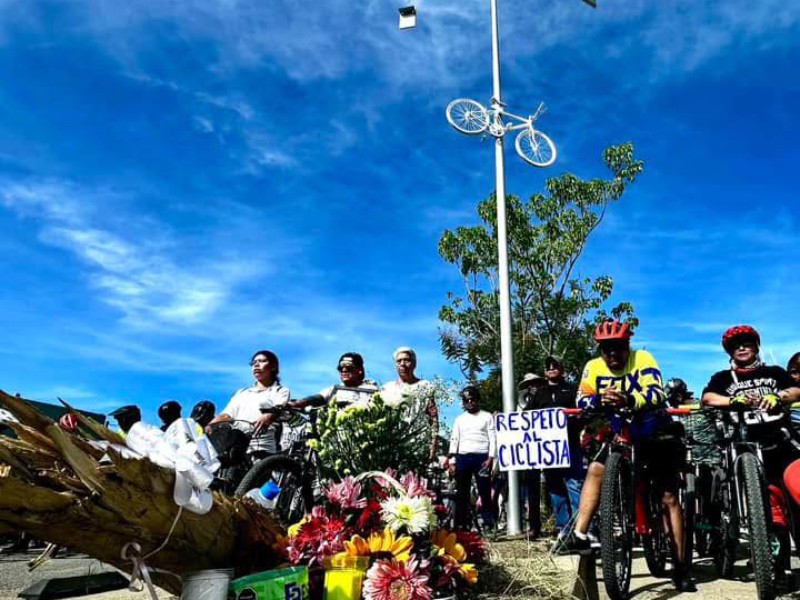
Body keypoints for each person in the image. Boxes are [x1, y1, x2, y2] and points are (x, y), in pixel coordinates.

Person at [559, 320, 692, 591]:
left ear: (627, 345)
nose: (612, 355)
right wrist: (598, 401)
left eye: (618, 348)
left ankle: (680, 567)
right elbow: (582, 398)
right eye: (606, 350)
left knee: (668, 497)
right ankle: (580, 533)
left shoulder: (642, 358)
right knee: (597, 467)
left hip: (652, 426)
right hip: (620, 428)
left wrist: (628, 399)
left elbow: (656, 392)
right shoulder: (593, 366)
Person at [535, 356, 584, 541]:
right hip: (548, 449)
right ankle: (564, 528)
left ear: (562, 368)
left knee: (574, 484)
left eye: (555, 365)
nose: (551, 368)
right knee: (555, 488)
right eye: (547, 366)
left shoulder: (572, 389)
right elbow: (526, 418)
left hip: (570, 444)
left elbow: (583, 412)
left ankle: (582, 527)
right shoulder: (539, 394)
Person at [209, 350, 290, 459]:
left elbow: (280, 407)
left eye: (262, 361)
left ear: (273, 367)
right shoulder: (242, 393)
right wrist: (210, 426)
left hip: (261, 445)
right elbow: (227, 415)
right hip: (235, 442)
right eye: (254, 362)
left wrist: (269, 415)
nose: (256, 364)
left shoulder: (280, 391)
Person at [448, 385, 496, 531]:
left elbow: (493, 438)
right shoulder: (459, 419)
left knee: (485, 491)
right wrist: (452, 462)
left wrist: (491, 457)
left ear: (477, 399)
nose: (470, 402)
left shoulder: (487, 416)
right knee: (462, 493)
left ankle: (488, 524)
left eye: (472, 399)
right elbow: (454, 440)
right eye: (466, 400)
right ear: (463, 403)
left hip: (481, 457)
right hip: (463, 457)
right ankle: (462, 524)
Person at [380, 346, 439, 461]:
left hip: (418, 443)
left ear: (414, 364)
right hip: (392, 443)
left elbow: (433, 418)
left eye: (407, 360)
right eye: (399, 361)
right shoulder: (386, 388)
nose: (402, 364)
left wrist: (433, 446)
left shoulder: (425, 386)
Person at [516, 371, 547, 537]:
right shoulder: (521, 404)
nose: (532, 387)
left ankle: (563, 526)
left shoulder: (547, 398)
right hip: (531, 452)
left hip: (549, 450)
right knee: (532, 491)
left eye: (535, 384)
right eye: (529, 385)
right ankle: (534, 526)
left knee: (555, 488)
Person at [291, 352, 378, 409]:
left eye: (348, 367)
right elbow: (319, 397)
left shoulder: (369, 389)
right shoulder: (335, 389)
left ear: (359, 370)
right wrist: (299, 403)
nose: (344, 370)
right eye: (341, 368)